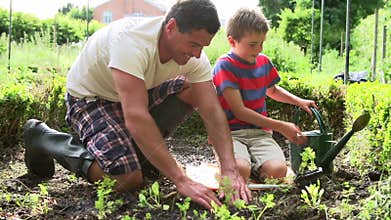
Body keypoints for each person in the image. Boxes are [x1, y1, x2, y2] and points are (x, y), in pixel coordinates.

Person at [23, 0, 251, 209]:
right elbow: (136, 116)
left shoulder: (195, 57)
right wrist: (180, 180)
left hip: (138, 92)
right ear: (171, 27)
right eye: (192, 44)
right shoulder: (131, 42)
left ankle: (139, 152)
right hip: (92, 98)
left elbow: (211, 109)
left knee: (194, 89)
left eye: (203, 46)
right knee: (127, 179)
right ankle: (43, 137)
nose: (197, 53)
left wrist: (229, 168)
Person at [212, 8, 317, 182]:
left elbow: (273, 90)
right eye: (252, 44)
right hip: (229, 133)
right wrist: (281, 126)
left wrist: (299, 101)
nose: (259, 49)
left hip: (260, 134)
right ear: (232, 41)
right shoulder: (225, 65)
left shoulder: (263, 62)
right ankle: (242, 164)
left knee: (277, 171)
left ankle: (251, 165)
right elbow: (239, 111)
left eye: (262, 43)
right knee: (239, 170)